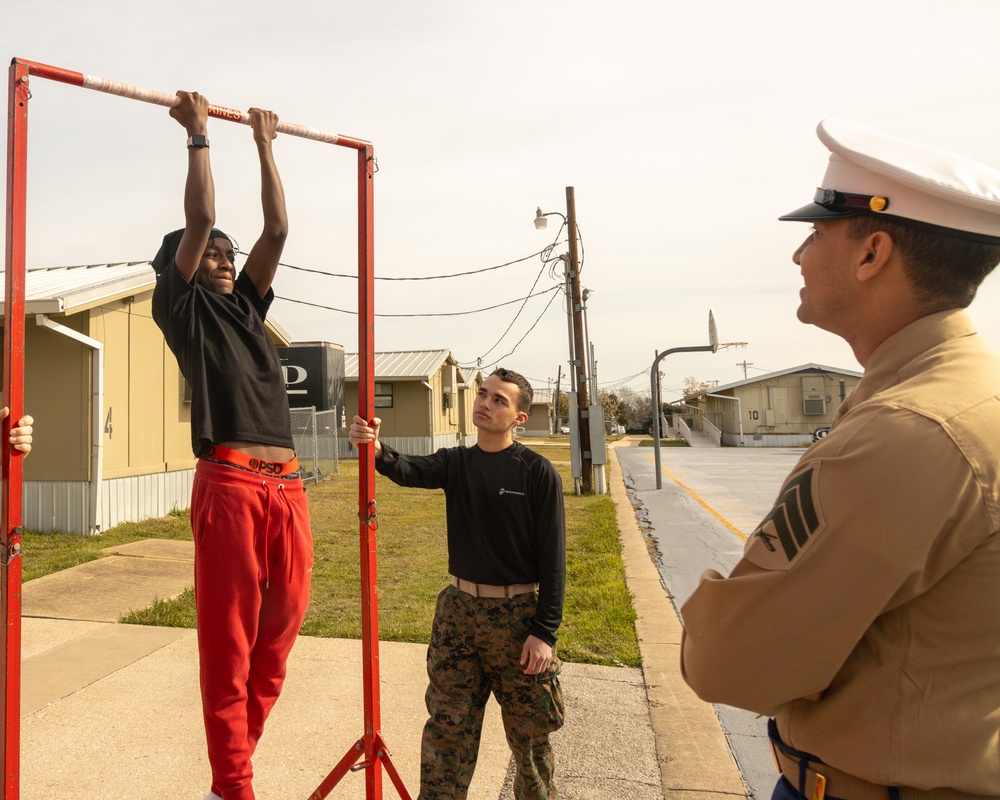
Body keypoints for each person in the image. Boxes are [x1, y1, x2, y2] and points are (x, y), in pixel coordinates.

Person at [679, 118, 1000, 799]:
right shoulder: (966, 396)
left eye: (817, 233)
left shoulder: (906, 433)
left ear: (871, 253)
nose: (799, 255)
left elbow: (729, 663)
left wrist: (718, 605)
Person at [150, 91, 312, 800]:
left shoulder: (247, 304)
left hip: (290, 489)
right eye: (209, 255)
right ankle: (236, 787)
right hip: (232, 484)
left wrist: (265, 142)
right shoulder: (181, 309)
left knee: (275, 648)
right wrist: (199, 136)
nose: (221, 257)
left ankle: (229, 776)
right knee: (230, 649)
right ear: (181, 267)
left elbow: (276, 229)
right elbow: (202, 218)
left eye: (226, 254)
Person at [349, 368, 566, 800]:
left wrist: (544, 633)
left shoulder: (537, 473)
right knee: (447, 735)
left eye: (499, 400)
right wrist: (374, 448)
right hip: (458, 615)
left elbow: (554, 561)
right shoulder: (455, 463)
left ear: (520, 417)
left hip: (518, 621)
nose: (484, 403)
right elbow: (406, 468)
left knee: (530, 744)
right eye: (482, 394)